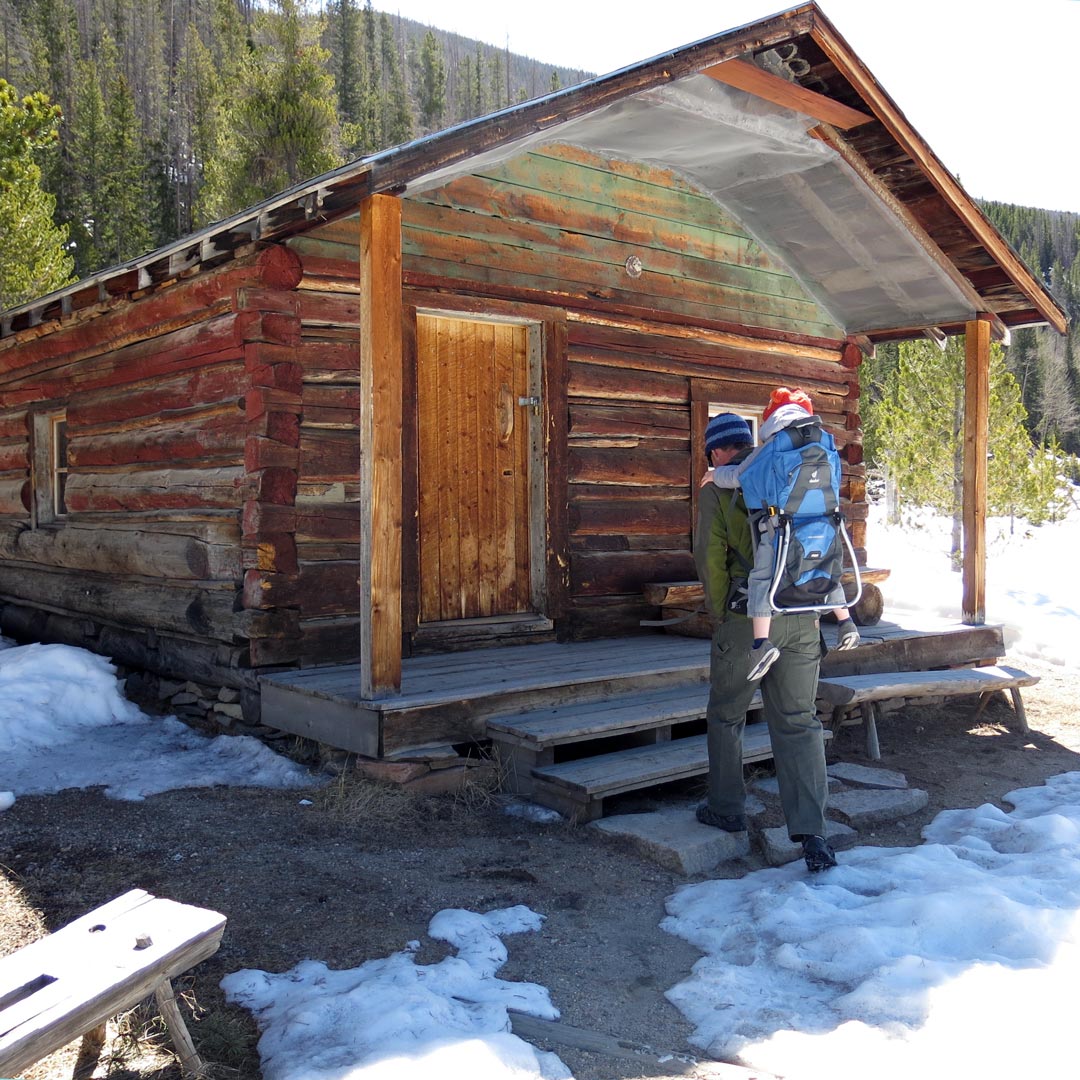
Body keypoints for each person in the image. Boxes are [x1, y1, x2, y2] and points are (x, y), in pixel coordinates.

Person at [694, 410, 837, 873]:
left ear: (717, 451)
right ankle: (813, 834)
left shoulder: (718, 487)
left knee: (727, 714)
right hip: (800, 614)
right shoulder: (785, 475)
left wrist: (720, 615)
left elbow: (710, 558)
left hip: (746, 619)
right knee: (799, 720)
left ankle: (727, 808)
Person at [703, 388, 859, 681]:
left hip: (781, 531)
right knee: (827, 570)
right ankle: (846, 621)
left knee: (761, 580)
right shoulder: (826, 444)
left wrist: (714, 475)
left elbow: (738, 476)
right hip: (823, 526)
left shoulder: (772, 448)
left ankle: (761, 644)